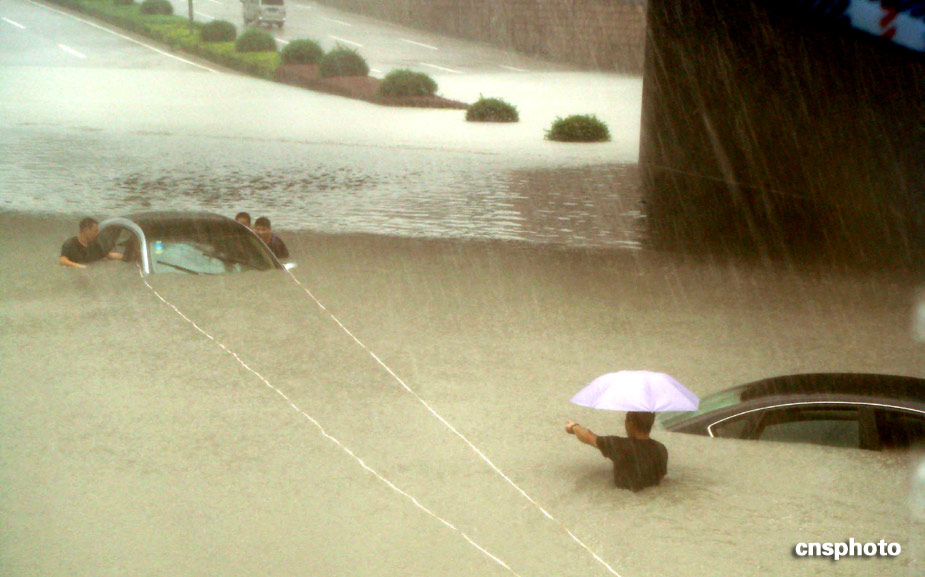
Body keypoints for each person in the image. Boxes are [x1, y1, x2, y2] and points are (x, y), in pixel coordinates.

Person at [565, 411, 668, 492]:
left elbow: (587, 436)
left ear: (630, 423)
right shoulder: (661, 449)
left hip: (624, 500)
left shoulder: (619, 445)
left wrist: (574, 426)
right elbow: (662, 478)